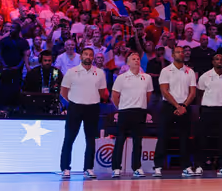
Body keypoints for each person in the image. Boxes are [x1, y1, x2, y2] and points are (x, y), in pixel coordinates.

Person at [59, 47, 109, 179]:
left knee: (91, 139)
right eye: (86, 54)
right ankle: (65, 168)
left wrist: (90, 98)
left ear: (93, 58)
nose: (88, 57)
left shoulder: (100, 73)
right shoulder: (72, 72)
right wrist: (74, 100)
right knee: (69, 138)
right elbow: (63, 91)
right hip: (75, 107)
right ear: (81, 56)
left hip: (92, 107)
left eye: (90, 55)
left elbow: (102, 92)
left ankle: (88, 168)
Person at [109, 51, 153, 178]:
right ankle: (116, 168)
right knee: (120, 140)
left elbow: (148, 96)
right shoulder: (121, 78)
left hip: (140, 112)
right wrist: (121, 108)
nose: (136, 60)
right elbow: (115, 96)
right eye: (133, 59)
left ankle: (137, 167)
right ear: (128, 63)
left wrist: (142, 106)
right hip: (124, 111)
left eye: (138, 58)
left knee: (138, 141)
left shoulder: (147, 78)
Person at [157, 45, 199, 177]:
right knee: (163, 136)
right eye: (178, 52)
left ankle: (186, 166)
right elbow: (164, 90)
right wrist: (177, 106)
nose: (181, 54)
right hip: (169, 106)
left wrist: (184, 106)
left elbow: (193, 93)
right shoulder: (166, 70)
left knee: (184, 138)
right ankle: (158, 166)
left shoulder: (190, 71)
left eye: (182, 52)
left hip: (185, 106)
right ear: (173, 55)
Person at [198, 51, 222, 175]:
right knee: (203, 137)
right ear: (213, 62)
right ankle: (200, 164)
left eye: (221, 59)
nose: (219, 61)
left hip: (221, 110)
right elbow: (200, 94)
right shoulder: (205, 76)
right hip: (207, 109)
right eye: (216, 59)